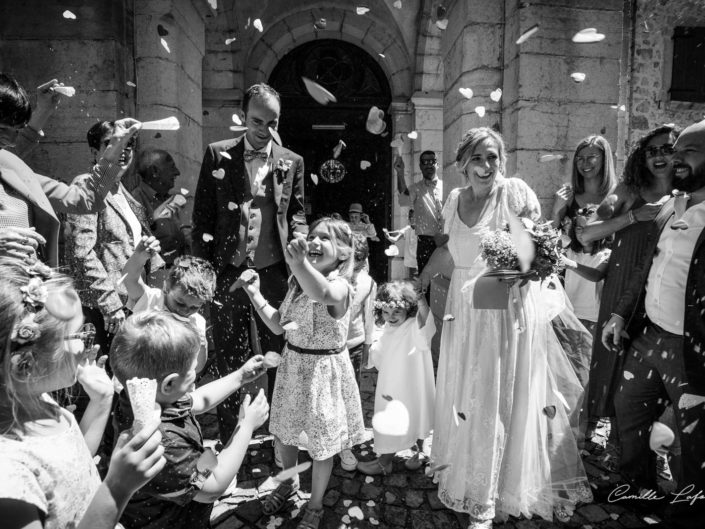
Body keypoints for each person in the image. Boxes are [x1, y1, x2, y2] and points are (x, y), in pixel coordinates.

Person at [432, 128, 591, 528]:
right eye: (479, 158)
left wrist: (521, 265)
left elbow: (537, 251)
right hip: (462, 311)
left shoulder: (514, 193)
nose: (487, 167)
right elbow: (452, 255)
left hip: (501, 311)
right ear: (463, 163)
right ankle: (461, 466)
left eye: (494, 158)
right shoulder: (453, 200)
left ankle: (486, 496)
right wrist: (422, 285)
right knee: (464, 390)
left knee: (492, 394)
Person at [0, 257, 166, 529]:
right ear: (25, 366)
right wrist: (116, 488)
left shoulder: (33, 398)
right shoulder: (9, 480)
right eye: (80, 334)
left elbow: (70, 466)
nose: (88, 343)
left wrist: (101, 402)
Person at [602, 119, 705, 529]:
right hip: (649, 336)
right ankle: (636, 487)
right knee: (629, 415)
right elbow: (648, 268)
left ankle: (689, 508)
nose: (676, 160)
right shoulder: (671, 207)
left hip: (691, 350)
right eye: (674, 152)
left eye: (688, 152)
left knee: (692, 437)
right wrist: (619, 314)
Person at [192, 82, 307, 441]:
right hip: (228, 272)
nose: (264, 130)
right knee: (229, 356)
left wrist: (302, 237)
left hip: (274, 274)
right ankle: (230, 436)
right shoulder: (216, 154)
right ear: (243, 117)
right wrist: (201, 275)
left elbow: (298, 213)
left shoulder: (292, 161)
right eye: (257, 121)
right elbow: (203, 218)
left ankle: (279, 435)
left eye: (272, 122)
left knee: (279, 355)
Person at [235, 217, 365, 529]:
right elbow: (281, 325)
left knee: (321, 446)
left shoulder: (342, 286)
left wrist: (300, 264)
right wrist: (255, 293)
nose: (316, 242)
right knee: (285, 434)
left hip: (324, 371)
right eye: (314, 236)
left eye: (327, 238)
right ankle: (288, 483)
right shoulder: (297, 282)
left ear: (345, 253)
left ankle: (316, 505)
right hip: (293, 365)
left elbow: (323, 295)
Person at [111, 311, 268, 528]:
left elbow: (199, 400)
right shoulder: (161, 442)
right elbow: (213, 487)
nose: (195, 372)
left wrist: (241, 376)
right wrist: (246, 425)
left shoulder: (143, 399)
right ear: (169, 384)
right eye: (192, 370)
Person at [578, 125, 680, 450]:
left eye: (668, 148)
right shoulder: (629, 190)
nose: (661, 155)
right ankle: (603, 438)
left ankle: (638, 441)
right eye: (653, 150)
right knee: (609, 362)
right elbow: (586, 234)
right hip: (621, 285)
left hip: (661, 296)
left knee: (643, 374)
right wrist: (633, 218)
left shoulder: (688, 195)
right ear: (643, 156)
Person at [0, 73, 140, 267]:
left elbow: (84, 200)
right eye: (3, 130)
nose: (12, 140)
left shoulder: (10, 165)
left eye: (17, 131)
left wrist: (114, 150)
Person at [64, 120, 163, 353]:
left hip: (132, 306)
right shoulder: (85, 185)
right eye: (112, 143)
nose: (123, 150)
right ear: (94, 151)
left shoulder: (126, 195)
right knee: (101, 383)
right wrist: (110, 305)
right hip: (102, 310)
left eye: (129, 144)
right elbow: (80, 253)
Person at [357, 280, 435, 476]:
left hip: (410, 383)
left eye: (396, 312)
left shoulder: (413, 326)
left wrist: (421, 300)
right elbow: (380, 352)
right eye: (385, 312)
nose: (390, 317)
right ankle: (390, 459)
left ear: (407, 310)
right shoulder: (387, 328)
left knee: (409, 413)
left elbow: (428, 324)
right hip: (393, 384)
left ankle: (406, 455)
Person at [122, 235, 215, 373]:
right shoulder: (151, 299)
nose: (185, 311)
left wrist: (202, 345)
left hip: (174, 387)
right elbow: (130, 280)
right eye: (179, 302)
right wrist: (139, 257)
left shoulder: (196, 322)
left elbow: (197, 368)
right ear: (166, 287)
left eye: (195, 307)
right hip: (139, 380)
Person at [340, 233, 377, 471]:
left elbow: (369, 317)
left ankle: (345, 444)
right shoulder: (331, 278)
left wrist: (367, 348)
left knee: (349, 395)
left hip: (352, 345)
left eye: (359, 259)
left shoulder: (367, 283)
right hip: (327, 347)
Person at [131, 149, 190, 270]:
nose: (177, 173)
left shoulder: (173, 200)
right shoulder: (134, 202)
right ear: (155, 171)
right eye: (172, 167)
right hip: (152, 277)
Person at [561, 206, 611, 336]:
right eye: (579, 228)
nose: (584, 233)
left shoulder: (607, 255)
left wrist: (571, 264)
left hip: (592, 317)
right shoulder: (569, 252)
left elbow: (596, 275)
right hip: (569, 315)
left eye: (590, 228)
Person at [551, 135, 617, 230]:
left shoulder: (617, 193)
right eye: (580, 158)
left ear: (604, 160)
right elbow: (553, 234)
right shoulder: (568, 196)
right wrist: (555, 211)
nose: (585, 163)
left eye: (591, 157)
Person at [395, 151, 446, 274]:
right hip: (426, 243)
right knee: (427, 283)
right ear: (420, 166)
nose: (428, 164)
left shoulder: (447, 186)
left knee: (444, 281)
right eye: (425, 162)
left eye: (432, 161)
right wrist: (400, 173)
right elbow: (404, 199)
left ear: (437, 164)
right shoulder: (416, 188)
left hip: (446, 242)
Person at [383, 209, 418, 278]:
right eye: (410, 217)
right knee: (413, 281)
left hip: (418, 260)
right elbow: (394, 240)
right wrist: (388, 236)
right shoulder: (406, 229)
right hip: (411, 262)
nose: (412, 219)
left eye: (414, 217)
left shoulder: (421, 230)